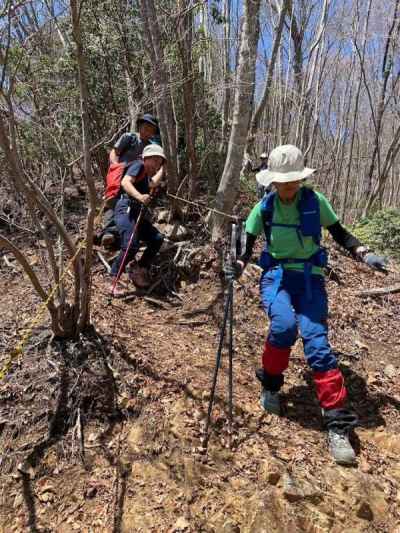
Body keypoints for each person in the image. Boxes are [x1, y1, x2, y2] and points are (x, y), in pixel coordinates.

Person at [231, 144, 386, 465]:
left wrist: (363, 252)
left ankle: (337, 424)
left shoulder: (316, 202)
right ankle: (271, 386)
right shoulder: (265, 208)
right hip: (277, 276)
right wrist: (236, 265)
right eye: (281, 182)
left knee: (317, 343)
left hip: (311, 278)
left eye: (293, 181)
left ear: (301, 179)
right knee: (284, 326)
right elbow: (245, 244)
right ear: (272, 181)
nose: (287, 187)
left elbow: (341, 233)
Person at [109, 144, 166, 296]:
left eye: (159, 161)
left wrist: (163, 168)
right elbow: (125, 182)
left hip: (136, 212)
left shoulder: (146, 175)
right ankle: (113, 279)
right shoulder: (138, 165)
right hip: (125, 208)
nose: (156, 164)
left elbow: (152, 183)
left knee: (157, 239)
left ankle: (139, 268)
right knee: (131, 244)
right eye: (154, 160)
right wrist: (140, 197)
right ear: (146, 158)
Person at [100, 114, 161, 248]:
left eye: (151, 130)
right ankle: (109, 233)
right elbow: (114, 152)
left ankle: (131, 233)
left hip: (138, 177)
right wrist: (115, 166)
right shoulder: (129, 137)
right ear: (140, 127)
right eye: (145, 128)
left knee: (135, 204)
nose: (147, 132)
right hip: (122, 174)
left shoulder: (151, 146)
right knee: (114, 200)